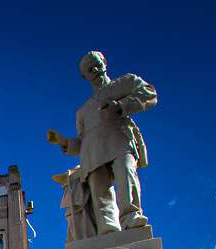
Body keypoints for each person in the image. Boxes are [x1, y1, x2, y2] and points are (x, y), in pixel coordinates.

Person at [46, 50, 157, 235]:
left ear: (104, 62)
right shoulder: (82, 111)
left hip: (119, 140)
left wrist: (121, 106)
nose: (95, 70)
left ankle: (131, 217)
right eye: (90, 69)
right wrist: (63, 141)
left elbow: (149, 94)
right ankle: (108, 228)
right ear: (85, 76)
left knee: (126, 175)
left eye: (97, 64)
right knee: (100, 192)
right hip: (92, 153)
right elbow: (82, 141)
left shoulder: (124, 83)